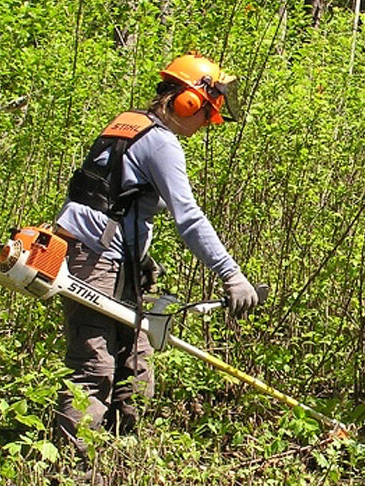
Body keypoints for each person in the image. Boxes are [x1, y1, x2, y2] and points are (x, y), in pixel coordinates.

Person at [52, 52, 258, 457]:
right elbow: (190, 218)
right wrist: (230, 273)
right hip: (95, 260)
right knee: (94, 368)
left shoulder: (129, 124)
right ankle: (73, 477)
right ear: (188, 101)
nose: (208, 124)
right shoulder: (160, 142)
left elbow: (111, 198)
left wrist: (140, 257)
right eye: (208, 112)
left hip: (108, 259)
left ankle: (121, 460)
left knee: (136, 360)